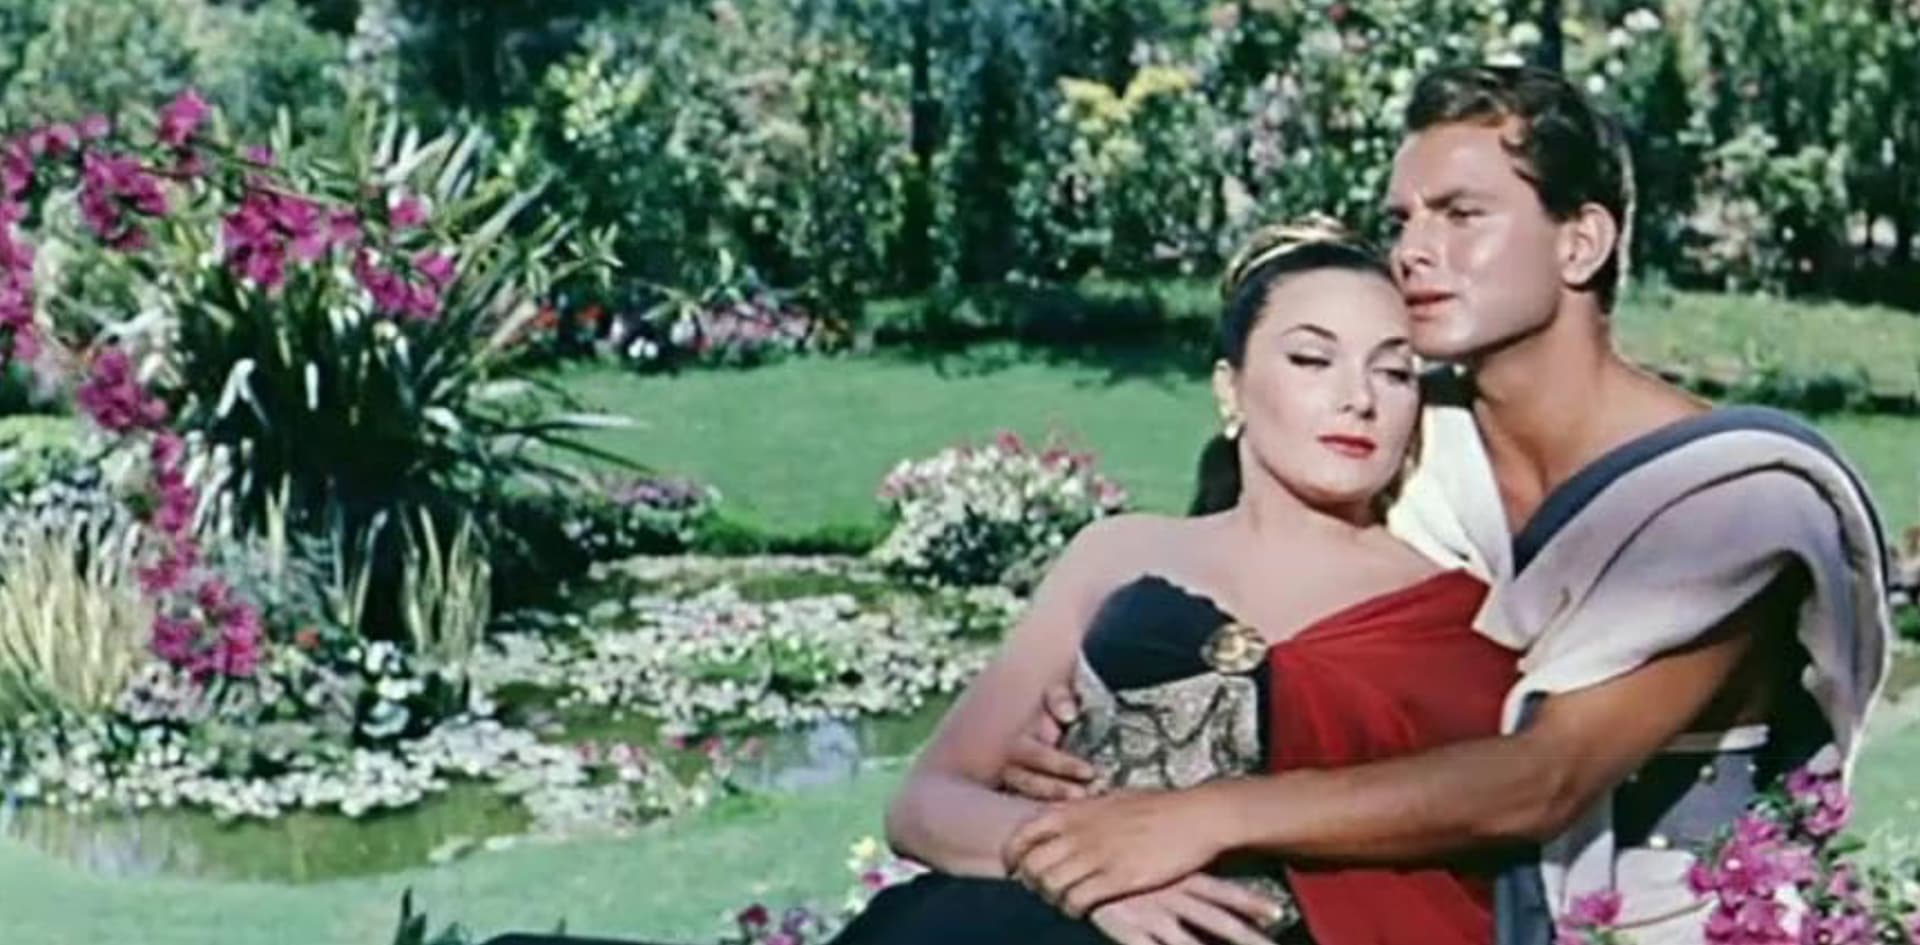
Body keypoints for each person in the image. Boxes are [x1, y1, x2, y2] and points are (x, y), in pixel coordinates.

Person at [994, 65, 1894, 945]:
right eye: (1403, 220)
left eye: (1461, 215)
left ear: (1581, 243)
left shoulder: (1729, 497)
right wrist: (1098, 709)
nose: (1413, 252)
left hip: (1666, 921)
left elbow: (1547, 777)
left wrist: (1206, 813)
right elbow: (1243, 607)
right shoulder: (1401, 444)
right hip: (1386, 901)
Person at [830, 218, 1523, 945]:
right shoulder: (1121, 552)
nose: (1359, 398)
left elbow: (1501, 811)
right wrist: (1094, 877)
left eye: (1394, 371)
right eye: (1312, 359)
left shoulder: (1458, 615)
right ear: (1230, 388)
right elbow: (927, 803)